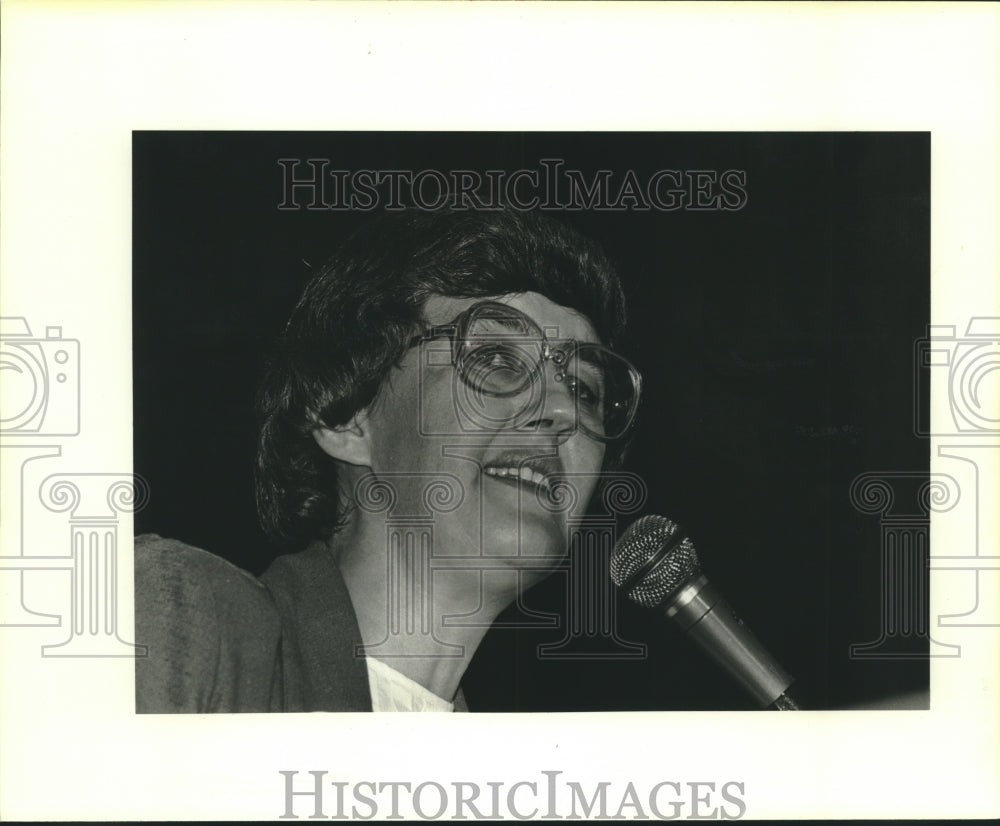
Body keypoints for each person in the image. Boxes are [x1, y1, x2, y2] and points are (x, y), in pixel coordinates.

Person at [135, 208, 642, 712]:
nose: (560, 409)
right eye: (497, 359)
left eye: (584, 389)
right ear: (345, 416)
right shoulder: (178, 620)